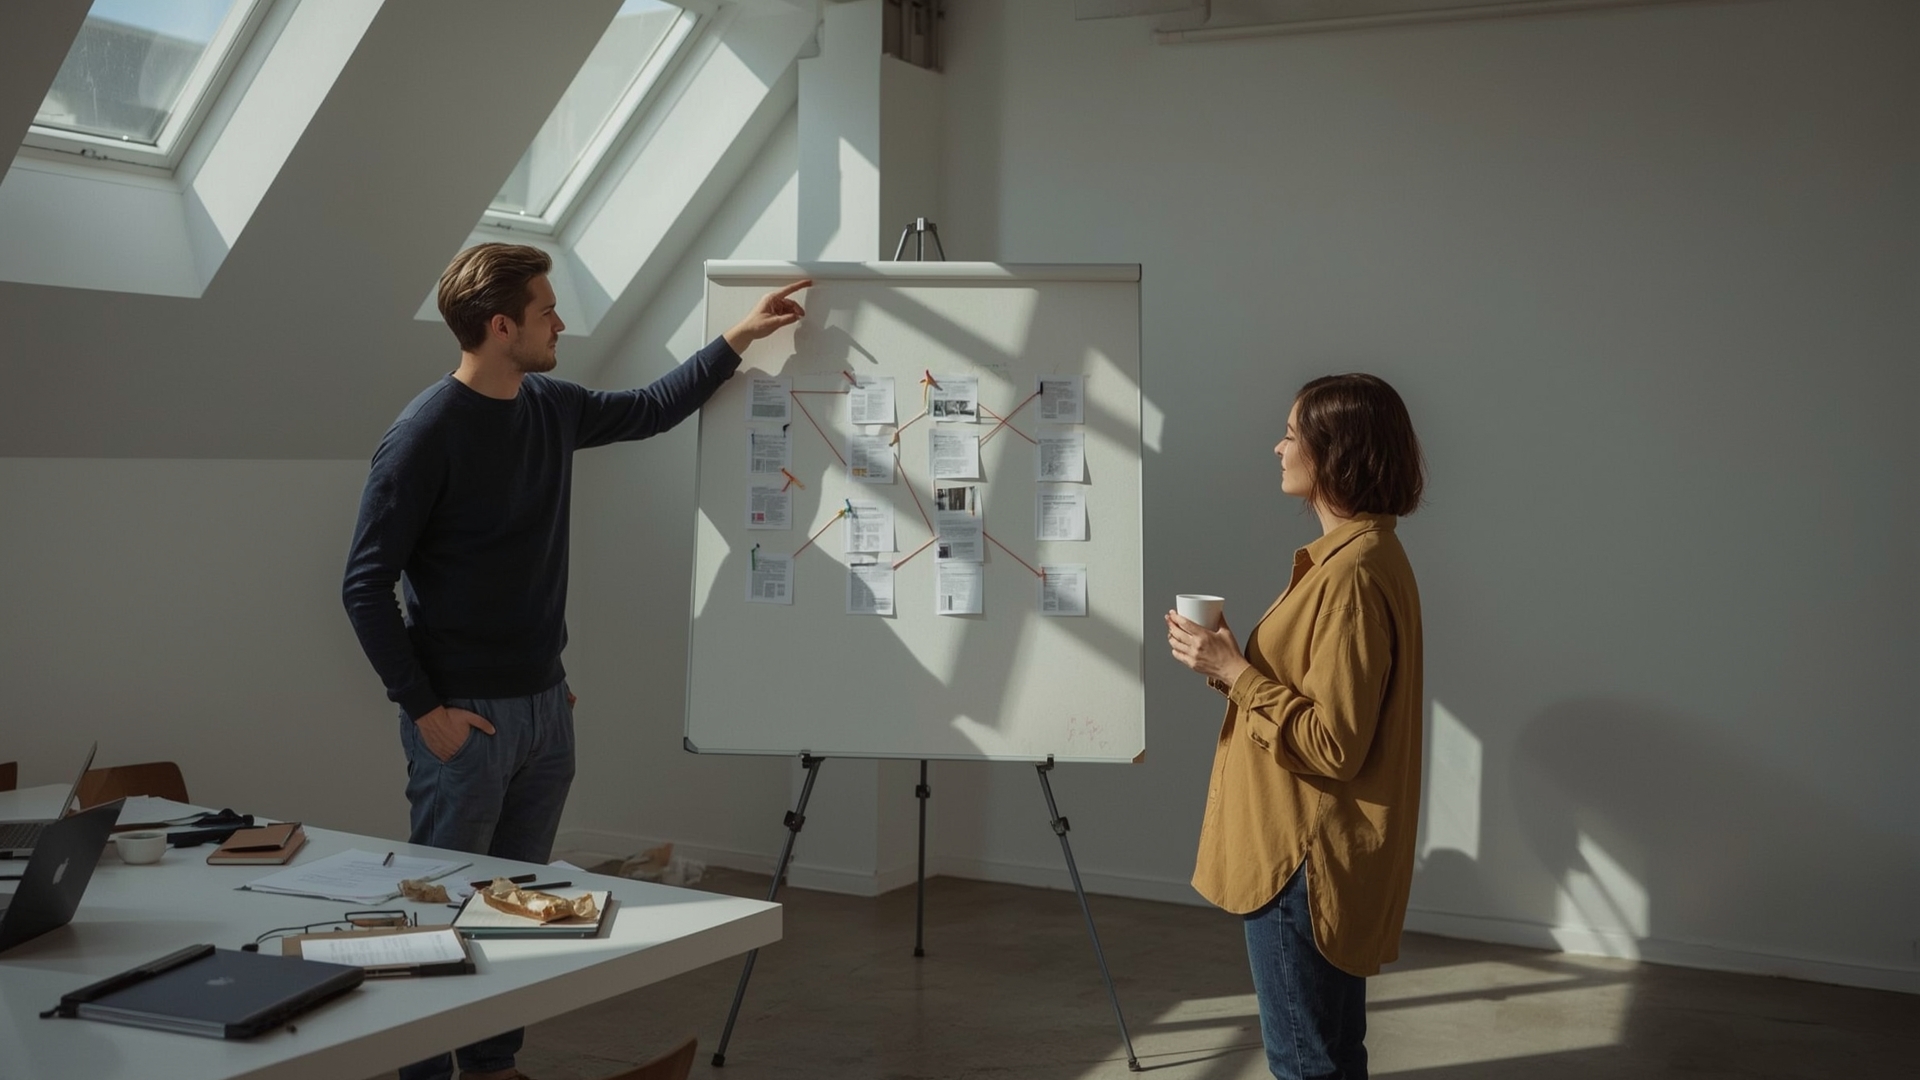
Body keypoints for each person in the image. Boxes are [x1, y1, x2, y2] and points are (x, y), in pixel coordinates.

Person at [342, 242, 807, 1080]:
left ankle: (493, 1066)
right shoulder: (423, 436)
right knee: (440, 908)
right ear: (500, 326)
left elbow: (651, 409)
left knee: (513, 908)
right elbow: (364, 586)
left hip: (545, 710)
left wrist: (740, 336)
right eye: (547, 311)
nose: (561, 324)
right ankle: (426, 1073)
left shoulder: (549, 406)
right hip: (465, 722)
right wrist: (425, 711)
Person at [1165, 373, 1425, 1080]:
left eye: (1289, 434)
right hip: (1318, 854)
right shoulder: (1364, 556)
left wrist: (1236, 673)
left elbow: (1334, 745)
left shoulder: (1349, 576)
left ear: (1334, 450)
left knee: (1305, 1064)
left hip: (1301, 860)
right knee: (1334, 1056)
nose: (1277, 448)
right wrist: (1226, 664)